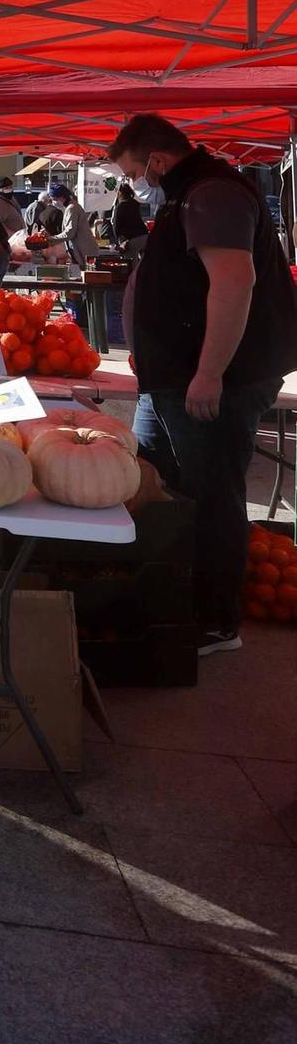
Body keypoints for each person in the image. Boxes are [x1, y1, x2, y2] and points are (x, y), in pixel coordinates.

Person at [108, 113, 297, 656]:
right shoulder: (189, 194)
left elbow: (235, 283)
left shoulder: (211, 194)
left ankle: (217, 621)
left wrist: (210, 372)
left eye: (134, 174)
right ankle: (176, 597)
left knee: (211, 494)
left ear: (158, 161)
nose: (136, 186)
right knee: (161, 482)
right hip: (174, 378)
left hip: (212, 379)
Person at [111, 180, 150, 263]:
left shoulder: (121, 206)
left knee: (131, 264)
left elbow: (116, 226)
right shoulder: (135, 204)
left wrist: (118, 242)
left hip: (132, 239)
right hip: (145, 236)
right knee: (144, 263)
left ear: (120, 193)